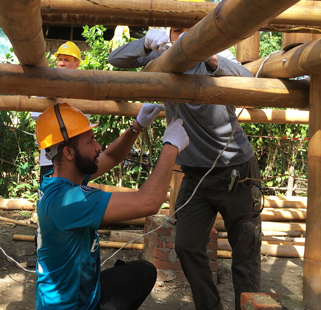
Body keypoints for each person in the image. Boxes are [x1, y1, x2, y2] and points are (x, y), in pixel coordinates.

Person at [108, 28, 262, 310]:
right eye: (175, 30)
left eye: (188, 30)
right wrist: (144, 44)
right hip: (194, 173)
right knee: (187, 246)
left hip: (235, 169)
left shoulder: (215, 59)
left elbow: (252, 83)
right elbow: (115, 60)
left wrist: (212, 57)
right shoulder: (163, 57)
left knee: (246, 253)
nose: (182, 36)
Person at [34, 102, 189, 309]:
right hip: (73, 306)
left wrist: (137, 127)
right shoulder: (68, 201)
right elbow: (149, 201)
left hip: (84, 291)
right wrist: (171, 147)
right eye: (90, 141)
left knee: (144, 272)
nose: (98, 146)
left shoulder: (58, 179)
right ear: (69, 153)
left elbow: (110, 156)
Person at [31, 41, 83, 185]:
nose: (61, 63)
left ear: (77, 64)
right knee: (49, 195)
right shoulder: (46, 84)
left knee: (73, 197)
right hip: (49, 156)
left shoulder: (83, 87)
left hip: (75, 155)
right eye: (60, 59)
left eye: (67, 60)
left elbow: (84, 121)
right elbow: (34, 113)